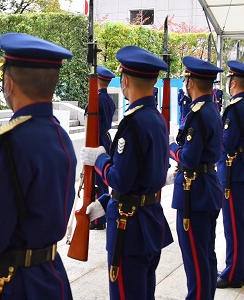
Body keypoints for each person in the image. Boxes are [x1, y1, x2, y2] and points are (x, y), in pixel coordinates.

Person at [0, 32, 76, 300]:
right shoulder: (60, 136)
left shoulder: (14, 142)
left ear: (8, 83)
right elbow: (33, 216)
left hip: (14, 285)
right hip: (51, 277)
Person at [80, 45, 173, 300]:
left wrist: (100, 160)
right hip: (149, 219)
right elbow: (143, 177)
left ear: (125, 80)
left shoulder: (133, 123)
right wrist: (105, 200)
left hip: (129, 226)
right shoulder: (155, 117)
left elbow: (121, 178)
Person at [168, 56, 223, 299]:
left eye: (186, 78)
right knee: (205, 255)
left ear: (191, 82)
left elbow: (188, 158)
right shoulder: (210, 108)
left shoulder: (199, 113)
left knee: (195, 259)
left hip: (195, 192)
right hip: (205, 188)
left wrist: (171, 147)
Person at [216, 60, 244, 289]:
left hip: (235, 171)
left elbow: (228, 143)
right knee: (241, 223)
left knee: (233, 225)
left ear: (233, 82)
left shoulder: (235, 108)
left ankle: (232, 273)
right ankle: (237, 270)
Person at [90, 66, 117, 230]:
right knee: (102, 178)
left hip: (97, 140)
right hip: (105, 139)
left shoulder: (96, 100)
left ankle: (98, 220)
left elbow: (92, 125)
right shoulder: (109, 99)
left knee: (97, 181)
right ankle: (102, 216)